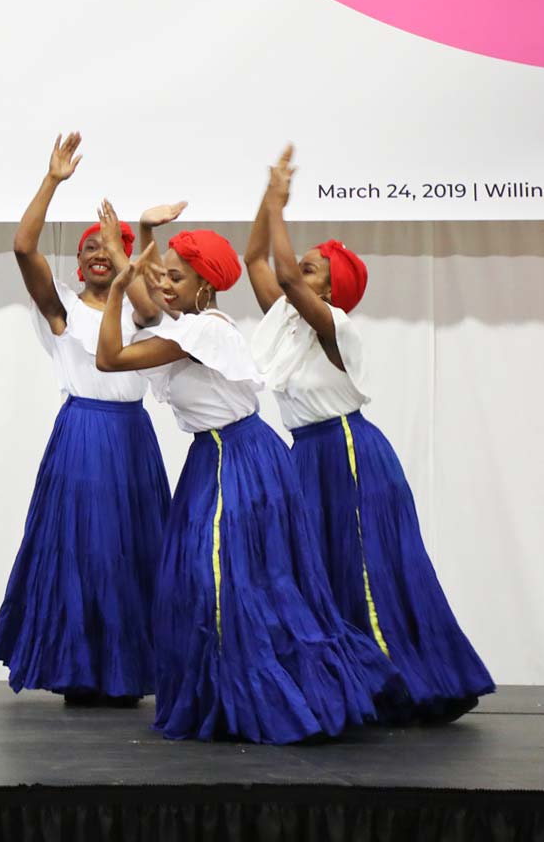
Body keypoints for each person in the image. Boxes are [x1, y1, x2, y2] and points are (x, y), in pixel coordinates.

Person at [93, 203, 402, 743]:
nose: (163, 284)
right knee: (204, 582)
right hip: (214, 456)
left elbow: (110, 359)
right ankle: (225, 697)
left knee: (224, 582)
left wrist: (118, 287)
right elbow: (152, 293)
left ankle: (265, 696)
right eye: (164, 274)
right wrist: (138, 239)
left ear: (205, 285)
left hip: (238, 458)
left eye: (176, 277)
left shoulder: (206, 333)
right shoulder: (192, 327)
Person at [245, 147, 493, 724]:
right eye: (303, 265)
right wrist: (267, 198)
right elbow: (255, 257)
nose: (297, 271)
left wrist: (281, 206)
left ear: (332, 291)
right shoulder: (285, 321)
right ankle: (346, 683)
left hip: (349, 453)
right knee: (319, 570)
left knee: (366, 569)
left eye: (313, 269)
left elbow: (283, 272)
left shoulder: (336, 327)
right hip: (305, 456)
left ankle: (398, 683)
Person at [0, 133, 171, 706]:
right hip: (83, 436)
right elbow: (23, 247)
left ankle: (129, 671)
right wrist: (52, 181)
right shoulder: (61, 307)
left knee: (131, 550)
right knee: (82, 550)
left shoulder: (138, 311)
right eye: (89, 247)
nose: (97, 253)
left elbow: (149, 310)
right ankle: (79, 669)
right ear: (77, 261)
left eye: (106, 247)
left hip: (132, 436)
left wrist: (127, 253)